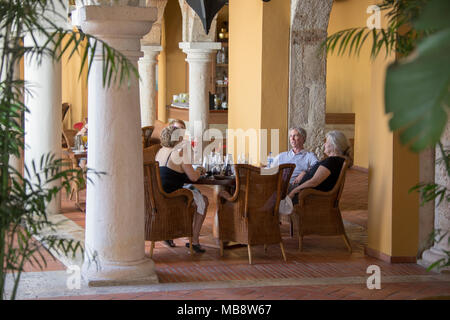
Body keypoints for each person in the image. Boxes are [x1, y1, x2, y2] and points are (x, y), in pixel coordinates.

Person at [155, 125, 209, 253]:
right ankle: (195, 241)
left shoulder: (160, 152)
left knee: (194, 193)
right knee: (204, 200)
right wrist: (200, 169)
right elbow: (194, 177)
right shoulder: (179, 153)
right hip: (173, 197)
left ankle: (169, 234)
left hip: (159, 195)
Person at [287, 130, 351, 205]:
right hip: (304, 190)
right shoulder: (335, 160)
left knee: (274, 190)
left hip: (306, 195)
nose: (324, 144)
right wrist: (305, 173)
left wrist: (294, 191)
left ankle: (277, 214)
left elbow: (314, 182)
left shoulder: (331, 161)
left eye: (326, 142)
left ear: (334, 145)